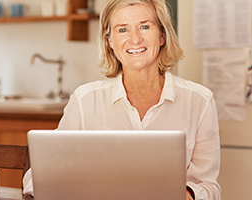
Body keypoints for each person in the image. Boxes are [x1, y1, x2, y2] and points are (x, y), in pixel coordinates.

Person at [23, 0, 221, 200]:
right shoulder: (85, 101)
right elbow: (41, 175)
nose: (135, 39)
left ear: (162, 36)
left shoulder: (200, 101)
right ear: (110, 41)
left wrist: (189, 194)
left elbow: (208, 185)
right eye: (122, 29)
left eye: (144, 26)